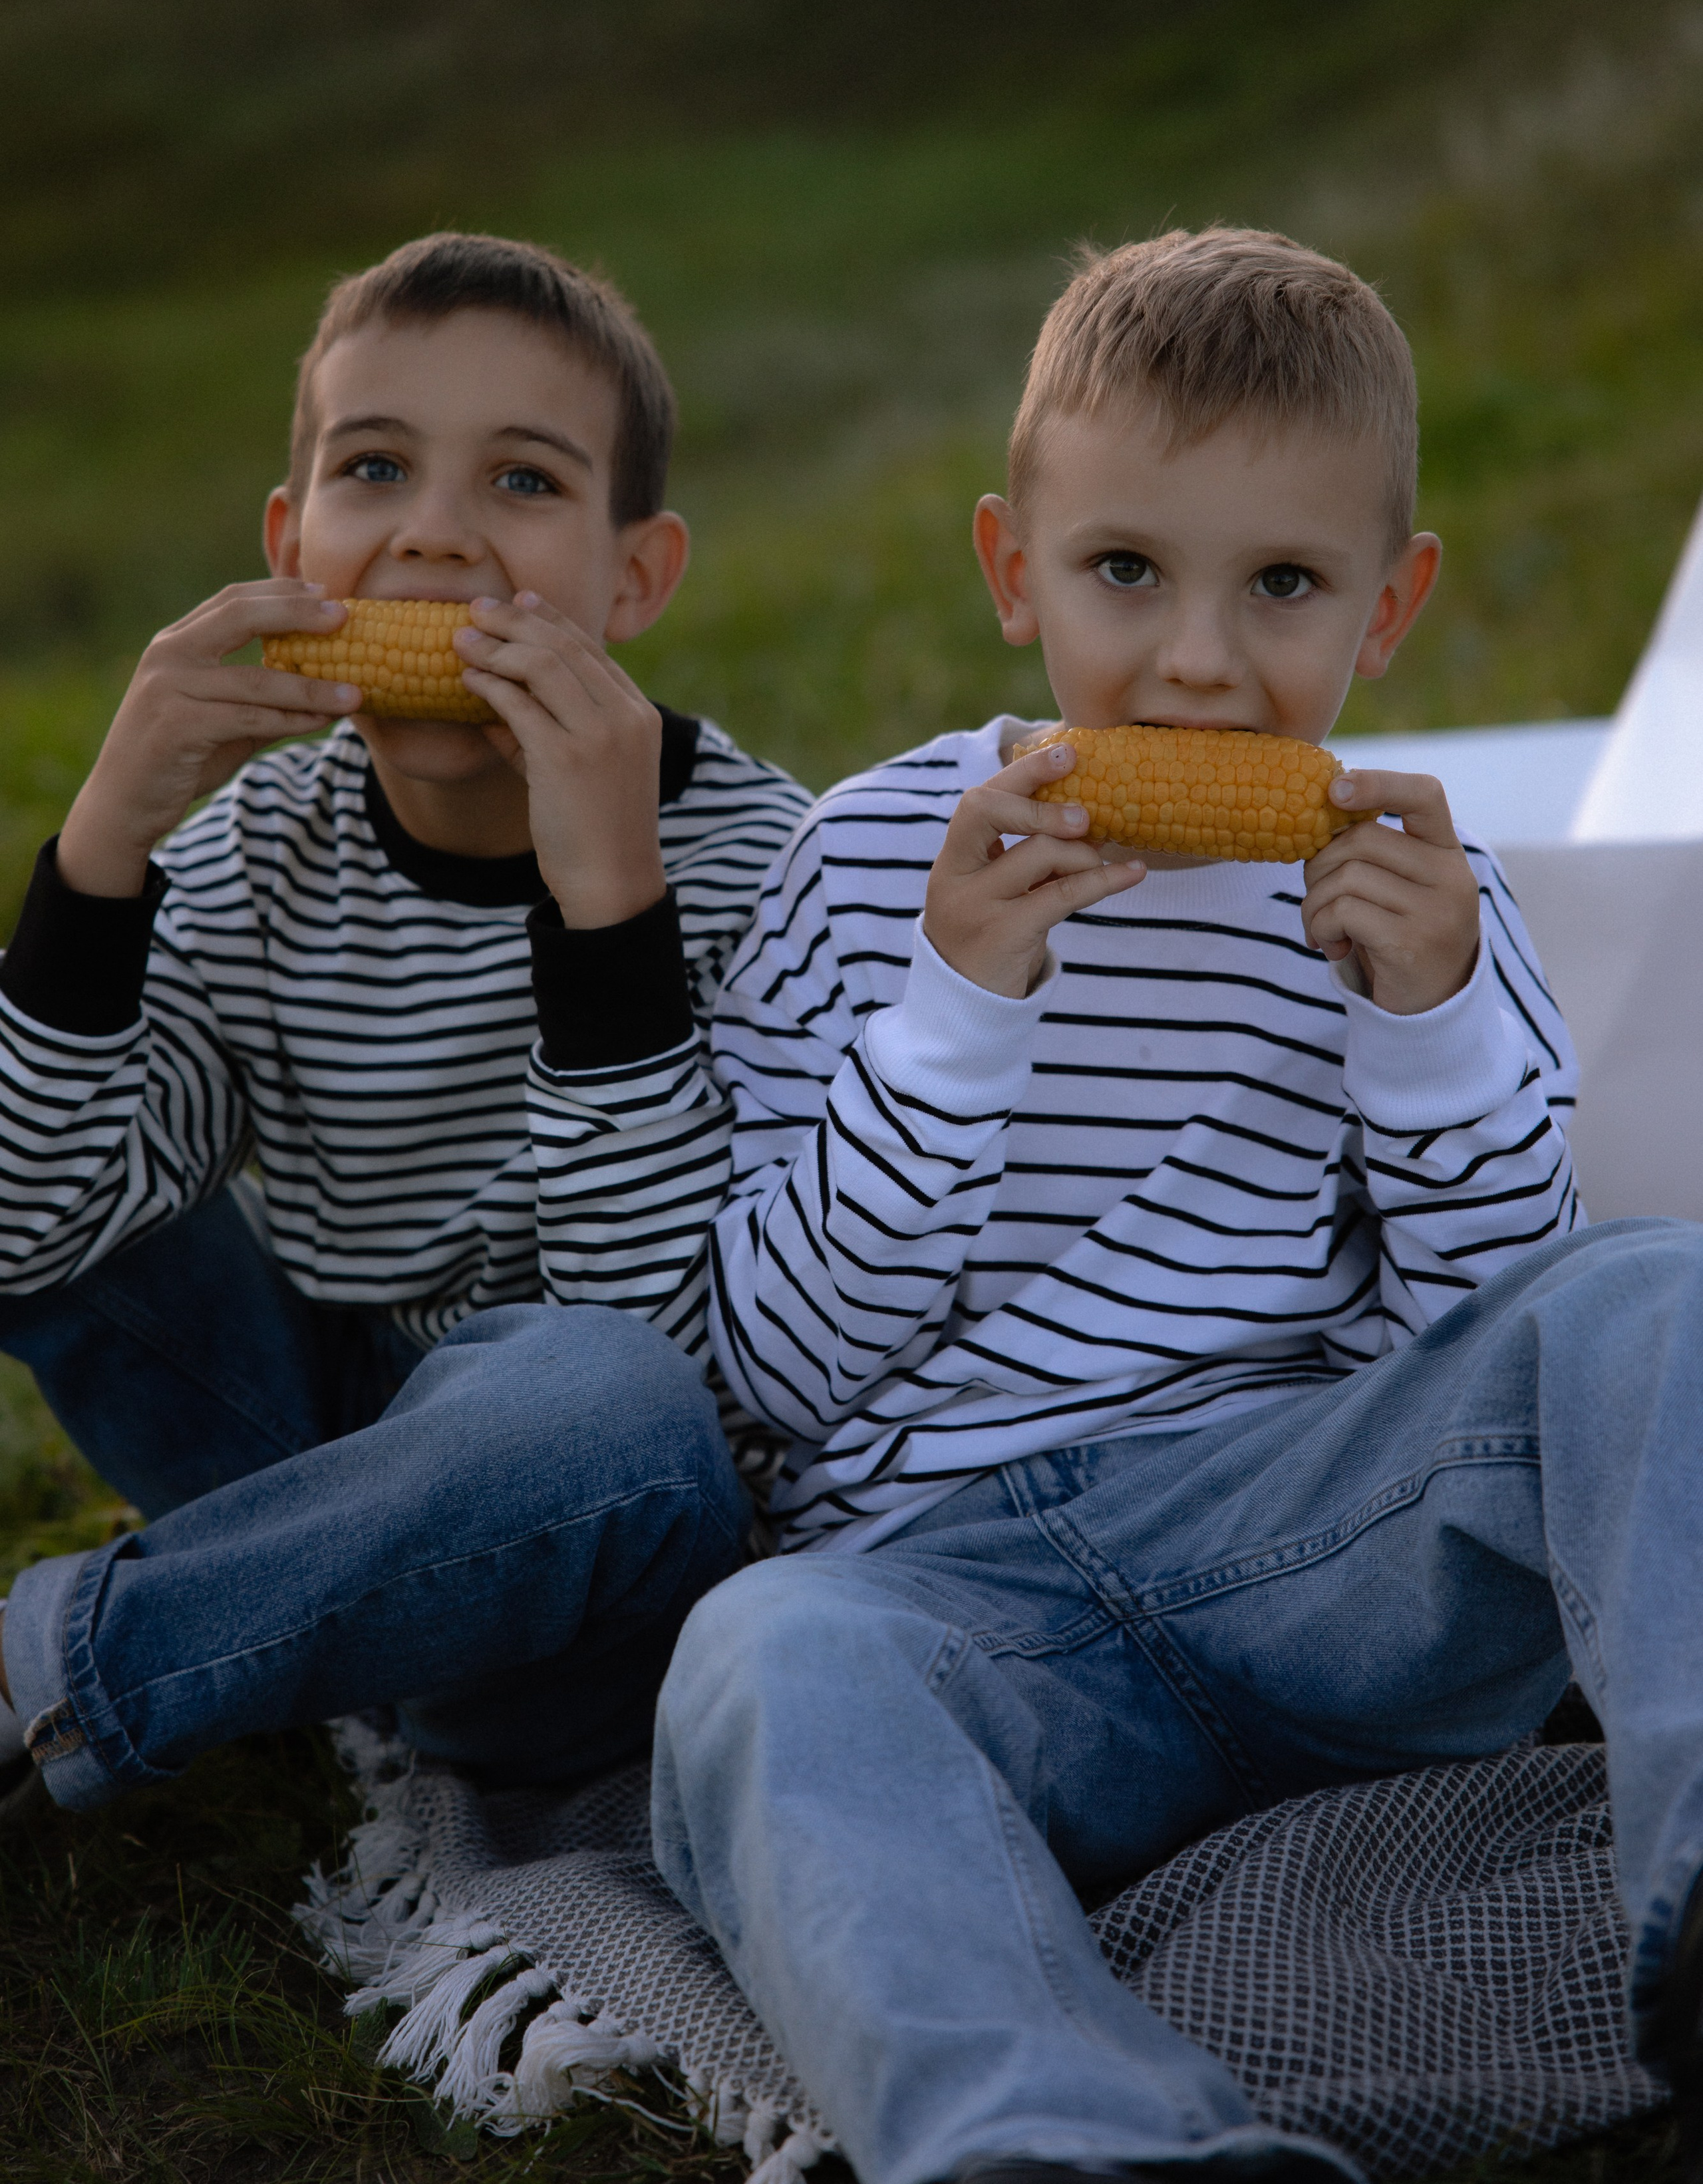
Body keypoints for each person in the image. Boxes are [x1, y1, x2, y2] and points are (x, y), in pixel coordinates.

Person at [648, 228, 1696, 2184]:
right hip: (955, 1607)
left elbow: (1491, 1358)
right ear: (1010, 568)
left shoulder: (1436, 907)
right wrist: (954, 1017)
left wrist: (1430, 1034)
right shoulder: (863, 863)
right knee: (757, 1652)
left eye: (1281, 584)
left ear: (1389, 609)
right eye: (1125, 569)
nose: (1200, 660)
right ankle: (1069, 2142)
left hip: (1308, 1555)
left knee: (1657, 1293)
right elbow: (766, 1374)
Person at [0, 231, 809, 1818]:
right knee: (49, 1116)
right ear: (290, 541)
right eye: (375, 468)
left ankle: (84, 1663)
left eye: (523, 480)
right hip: (314, 1439)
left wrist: (608, 909)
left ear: (635, 576)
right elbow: (23, 1231)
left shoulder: (769, 868)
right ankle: (275, 1625)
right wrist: (99, 858)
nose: (434, 534)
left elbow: (684, 1379)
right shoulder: (257, 851)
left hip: (597, 1550)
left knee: (604, 1396)